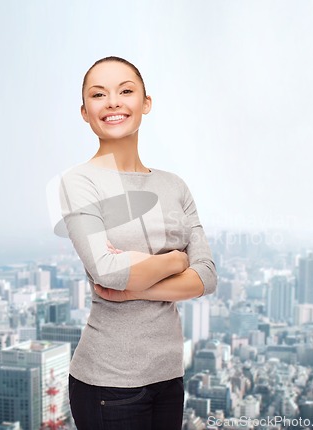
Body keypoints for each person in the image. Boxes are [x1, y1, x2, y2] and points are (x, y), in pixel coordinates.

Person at [57, 56, 217, 430]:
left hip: (168, 374)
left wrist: (133, 289)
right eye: (99, 94)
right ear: (85, 112)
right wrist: (176, 261)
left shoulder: (174, 185)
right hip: (107, 382)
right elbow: (109, 272)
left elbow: (207, 277)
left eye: (125, 91)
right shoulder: (79, 182)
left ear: (146, 103)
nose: (113, 102)